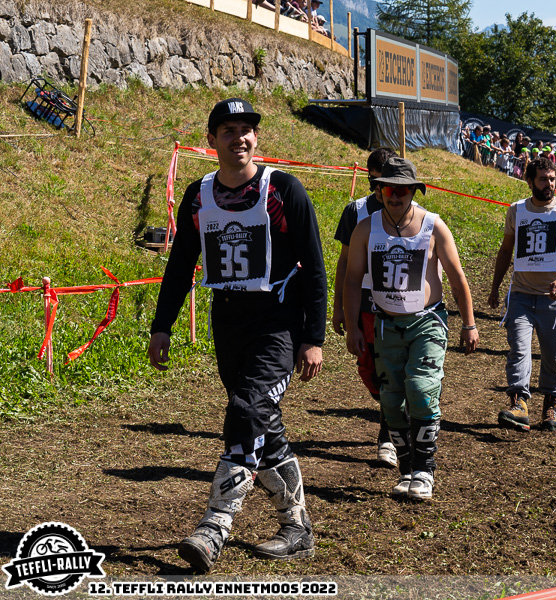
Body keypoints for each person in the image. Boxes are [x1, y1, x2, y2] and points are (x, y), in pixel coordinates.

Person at [147, 98, 326, 571]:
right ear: (212, 140)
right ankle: (297, 527)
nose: (240, 138)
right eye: (228, 130)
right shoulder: (197, 194)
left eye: (247, 130)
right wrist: (161, 325)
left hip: (278, 325)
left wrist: (313, 337)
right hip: (227, 321)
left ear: (256, 138)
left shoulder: (283, 190)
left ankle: (214, 527)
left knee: (247, 409)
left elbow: (314, 267)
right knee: (261, 424)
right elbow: (180, 262)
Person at [344, 157, 478, 501]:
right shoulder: (366, 228)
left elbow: (456, 276)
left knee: (420, 389)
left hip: (427, 322)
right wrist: (352, 326)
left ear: (413, 191)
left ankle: (424, 470)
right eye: (389, 188)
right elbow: (352, 278)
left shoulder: (434, 226)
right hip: (385, 323)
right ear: (378, 190)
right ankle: (406, 470)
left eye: (403, 190)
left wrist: (469, 323)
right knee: (390, 401)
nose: (395, 196)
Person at [489, 157, 556, 432]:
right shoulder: (517, 210)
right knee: (519, 349)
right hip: (520, 294)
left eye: (553, 179)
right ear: (530, 181)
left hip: (553, 297)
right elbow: (506, 251)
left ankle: (551, 404)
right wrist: (495, 288)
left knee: (553, 354)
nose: (549, 184)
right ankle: (518, 404)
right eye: (543, 179)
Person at [332, 148, 399, 468]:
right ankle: (395, 408)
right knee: (368, 371)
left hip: (397, 304)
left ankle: (388, 436)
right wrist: (338, 308)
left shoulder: (408, 208)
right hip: (363, 303)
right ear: (371, 175)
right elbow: (344, 264)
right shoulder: (355, 211)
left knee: (390, 372)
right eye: (381, 177)